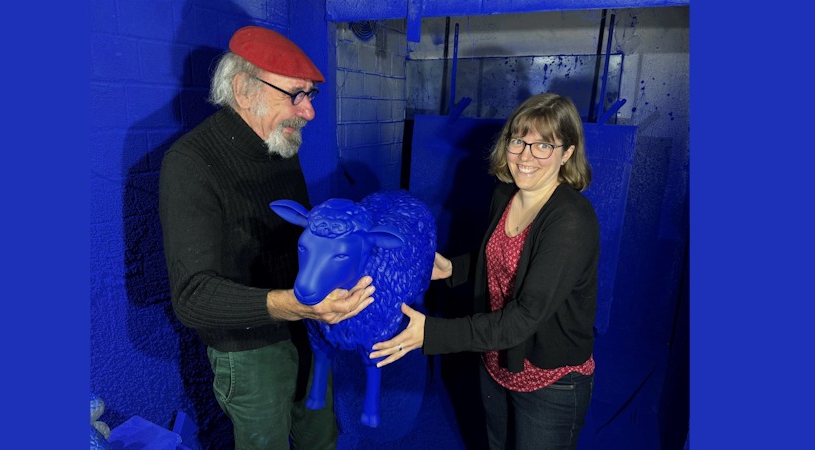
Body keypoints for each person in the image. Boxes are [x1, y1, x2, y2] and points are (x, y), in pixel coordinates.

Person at [159, 26, 375, 450]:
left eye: (310, 95)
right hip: (249, 350)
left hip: (307, 331)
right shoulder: (190, 164)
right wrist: (293, 305)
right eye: (295, 94)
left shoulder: (280, 144)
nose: (308, 111)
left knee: (321, 438)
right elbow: (192, 297)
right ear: (243, 89)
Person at [370, 92, 599, 449]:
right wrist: (452, 268)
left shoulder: (570, 220)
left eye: (543, 146)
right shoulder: (505, 194)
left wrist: (431, 333)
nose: (525, 156)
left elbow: (524, 317)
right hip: (496, 360)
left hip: (550, 380)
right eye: (519, 140)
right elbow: (503, 258)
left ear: (567, 152)